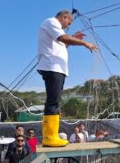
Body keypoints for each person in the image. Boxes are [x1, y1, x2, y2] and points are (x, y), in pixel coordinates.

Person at [37, 10, 98, 147]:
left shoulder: (54, 28)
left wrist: (73, 37)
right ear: (64, 17)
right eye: (68, 23)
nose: (67, 26)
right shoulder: (51, 22)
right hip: (52, 67)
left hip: (57, 68)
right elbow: (63, 38)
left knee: (55, 102)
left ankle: (51, 136)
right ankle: (50, 137)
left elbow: (63, 43)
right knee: (53, 102)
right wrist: (84, 43)